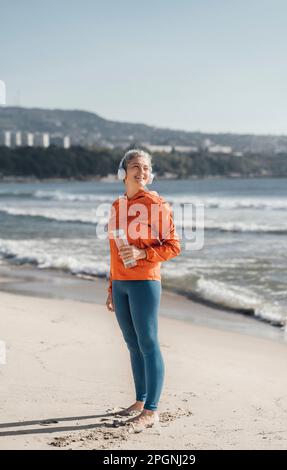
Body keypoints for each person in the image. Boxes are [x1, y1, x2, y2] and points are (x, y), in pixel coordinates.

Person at [105, 149, 181, 430]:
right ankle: (139, 402)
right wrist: (111, 286)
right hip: (121, 283)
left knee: (148, 344)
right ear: (122, 172)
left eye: (146, 167)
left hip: (145, 282)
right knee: (132, 345)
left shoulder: (156, 204)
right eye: (135, 166)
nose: (142, 171)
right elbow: (113, 250)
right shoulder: (117, 206)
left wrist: (141, 255)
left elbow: (174, 246)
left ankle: (151, 411)